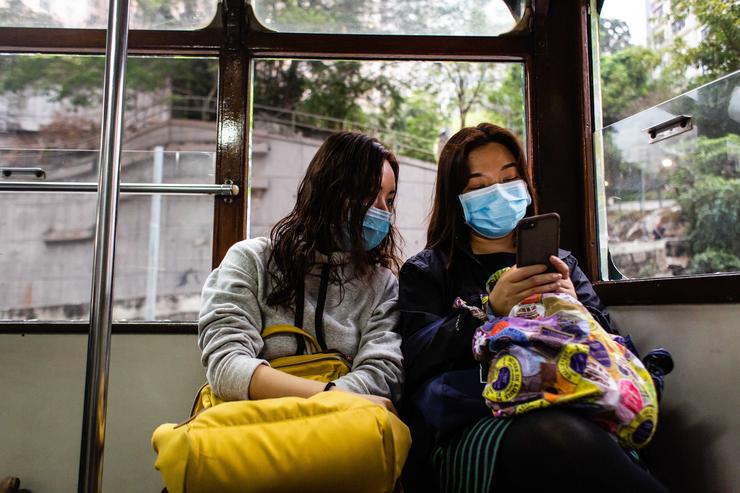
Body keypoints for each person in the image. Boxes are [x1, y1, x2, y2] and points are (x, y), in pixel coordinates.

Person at [398, 123, 669, 493]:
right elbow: (415, 355)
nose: (498, 194)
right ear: (456, 199)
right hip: (480, 415)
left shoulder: (563, 264)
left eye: (509, 180)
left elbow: (608, 348)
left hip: (572, 397)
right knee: (555, 435)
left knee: (574, 434)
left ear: (524, 185)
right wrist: (489, 309)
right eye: (479, 187)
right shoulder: (427, 270)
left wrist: (573, 308)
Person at [198, 131, 403, 414]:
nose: (382, 212)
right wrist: (330, 396)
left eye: (388, 200)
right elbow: (226, 365)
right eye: (369, 196)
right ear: (329, 191)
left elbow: (382, 375)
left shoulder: (382, 285)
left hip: (339, 435)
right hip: (254, 431)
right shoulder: (251, 261)